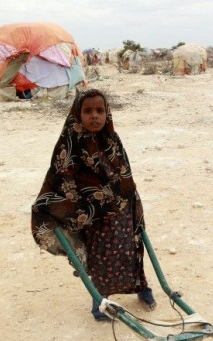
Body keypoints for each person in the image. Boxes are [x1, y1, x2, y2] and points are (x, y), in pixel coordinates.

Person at [31, 88, 156, 321]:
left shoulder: (112, 139)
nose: (94, 116)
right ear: (78, 113)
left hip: (120, 211)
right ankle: (98, 303)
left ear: (107, 113)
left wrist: (128, 197)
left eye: (99, 110)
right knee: (100, 259)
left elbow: (124, 171)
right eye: (88, 111)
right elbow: (61, 177)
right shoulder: (70, 143)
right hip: (92, 217)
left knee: (131, 250)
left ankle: (142, 287)